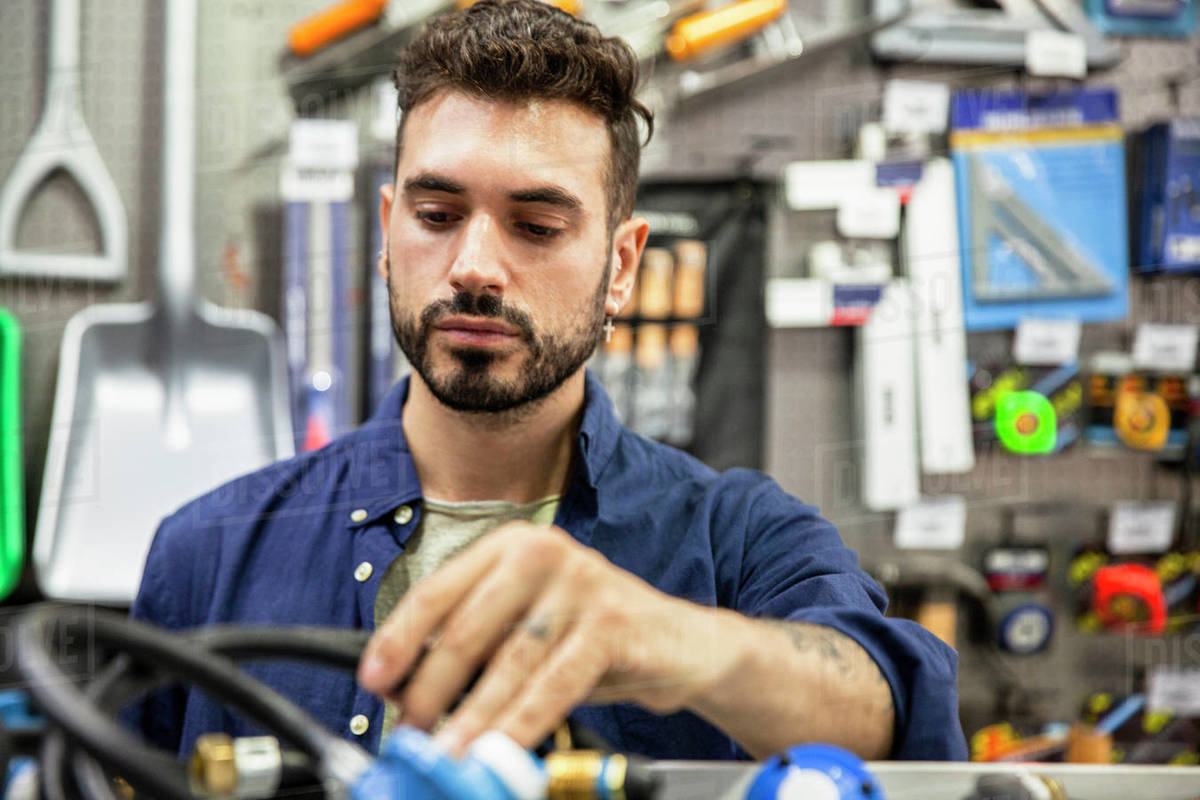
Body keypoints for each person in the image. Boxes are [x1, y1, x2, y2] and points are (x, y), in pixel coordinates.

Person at [129, 0, 966, 763]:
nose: (475, 267)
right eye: (436, 215)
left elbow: (895, 713)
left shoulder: (737, 542)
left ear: (622, 267)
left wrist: (673, 642)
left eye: (535, 225)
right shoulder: (209, 553)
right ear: (386, 232)